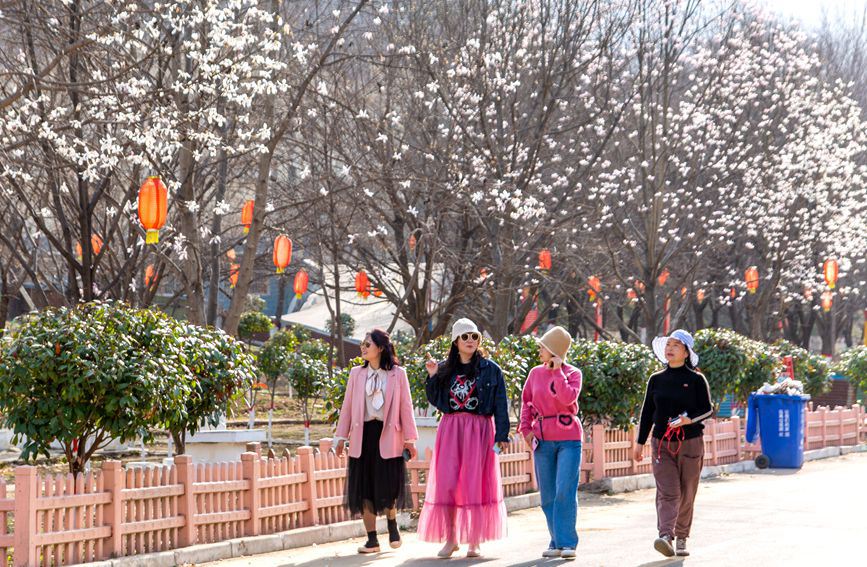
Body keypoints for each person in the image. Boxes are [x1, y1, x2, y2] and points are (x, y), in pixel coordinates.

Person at [417, 318, 510, 559]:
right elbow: (436, 401)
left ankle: (474, 541)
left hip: (479, 429)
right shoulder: (444, 368)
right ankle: (451, 538)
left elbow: (501, 403)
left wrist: (502, 434)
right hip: (451, 428)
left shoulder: (491, 369)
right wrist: (432, 377)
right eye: (465, 336)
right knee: (447, 484)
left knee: (474, 484)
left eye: (474, 336)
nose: (470, 340)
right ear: (455, 341)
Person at [335, 329, 419, 554]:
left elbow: (405, 407)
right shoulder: (356, 374)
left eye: (368, 344)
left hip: (389, 435)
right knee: (363, 488)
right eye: (362, 344)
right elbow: (348, 407)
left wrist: (410, 440)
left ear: (380, 348)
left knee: (388, 486)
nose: (363, 348)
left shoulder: (398, 374)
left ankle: (392, 522)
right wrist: (341, 438)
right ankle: (372, 540)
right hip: (362, 436)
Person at [632, 329, 713, 558]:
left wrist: (688, 419)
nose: (670, 348)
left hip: (690, 443)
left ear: (686, 352)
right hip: (661, 442)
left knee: (687, 492)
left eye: (676, 345)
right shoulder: (656, 379)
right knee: (668, 492)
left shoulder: (696, 379)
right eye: (668, 344)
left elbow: (707, 409)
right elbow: (647, 412)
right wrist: (639, 442)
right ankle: (665, 535)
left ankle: (682, 537)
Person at [518, 326, 583, 561]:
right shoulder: (534, 373)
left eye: (543, 346)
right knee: (547, 494)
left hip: (569, 439)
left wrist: (557, 372)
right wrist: (525, 429)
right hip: (542, 439)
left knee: (564, 490)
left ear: (555, 350)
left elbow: (567, 398)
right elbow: (526, 402)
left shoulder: (573, 373)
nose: (539, 349)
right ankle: (556, 540)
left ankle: (567, 542)